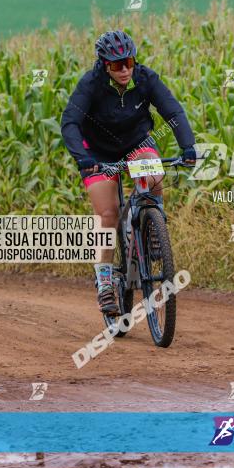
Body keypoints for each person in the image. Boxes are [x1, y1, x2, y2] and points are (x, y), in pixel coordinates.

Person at [61, 30, 197, 315]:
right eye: (116, 64)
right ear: (104, 64)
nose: (124, 69)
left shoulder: (145, 78)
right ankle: (105, 283)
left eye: (129, 62)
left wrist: (187, 147)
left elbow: (173, 112)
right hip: (97, 153)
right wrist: (84, 159)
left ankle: (153, 227)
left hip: (136, 143)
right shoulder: (91, 84)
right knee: (108, 213)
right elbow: (70, 123)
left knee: (154, 174)